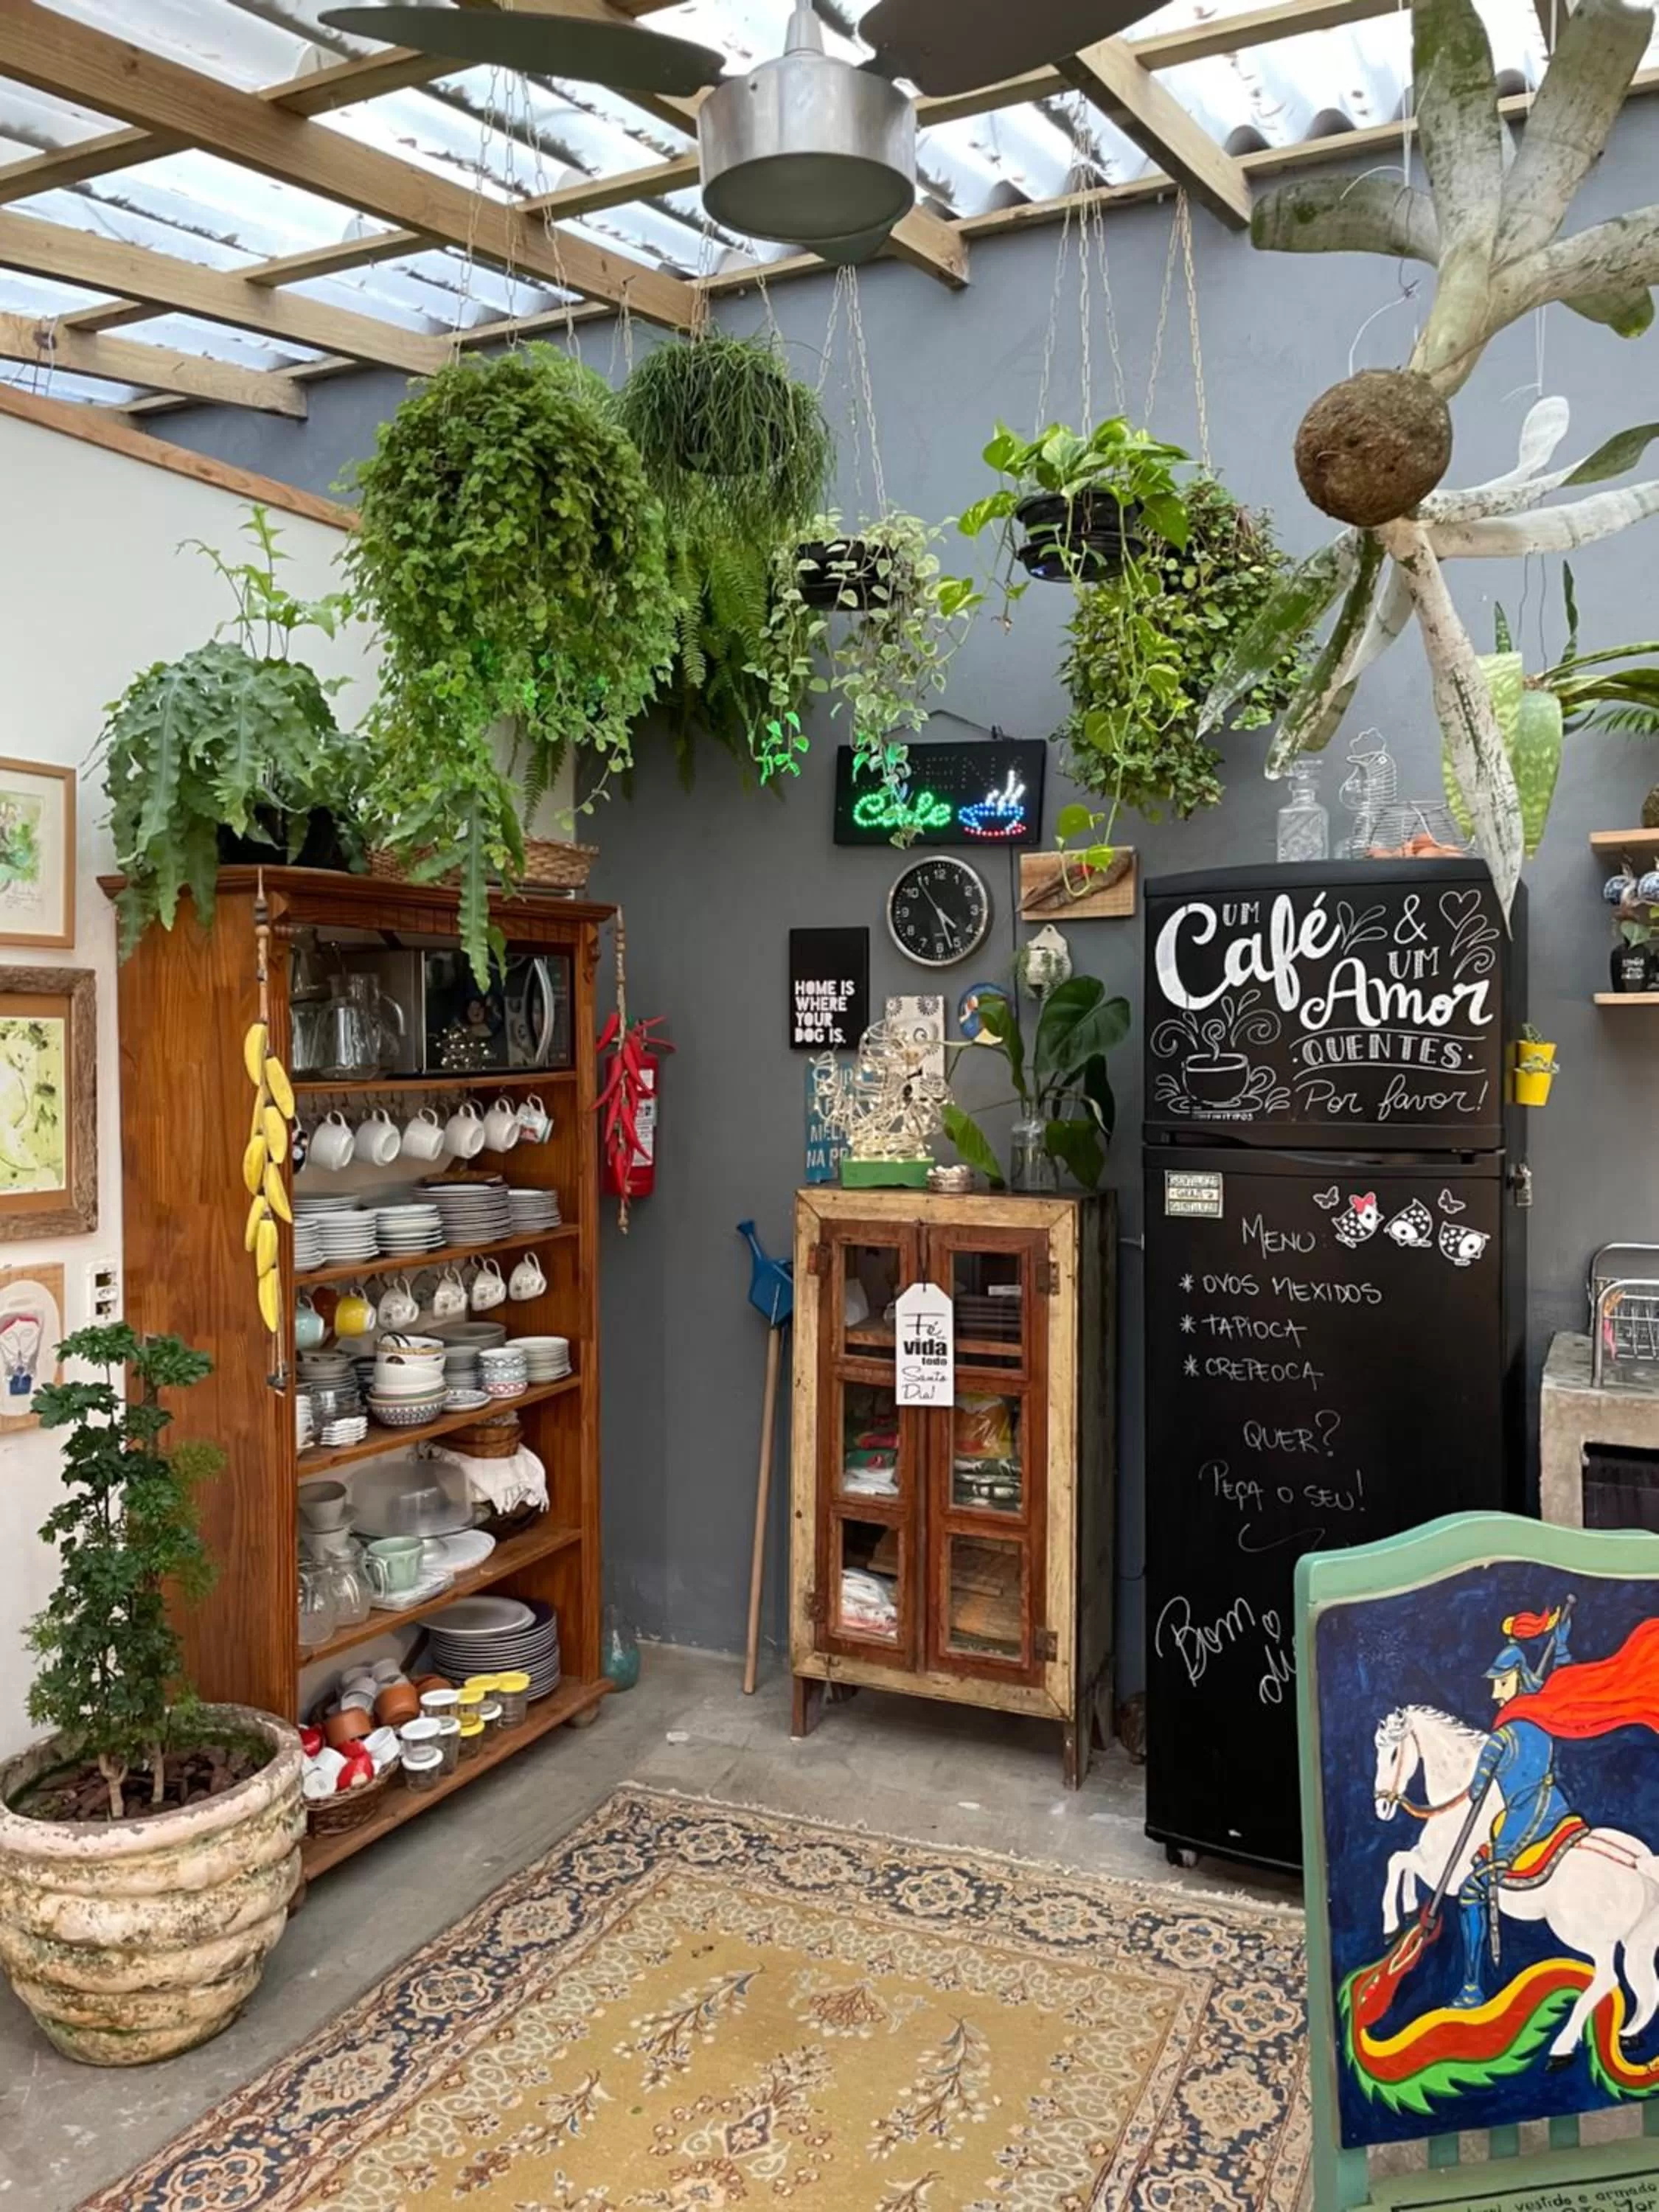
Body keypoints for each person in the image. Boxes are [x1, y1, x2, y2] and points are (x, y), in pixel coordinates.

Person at [1453, 1605, 1576, 2009]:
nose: (1495, 1693)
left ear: (1519, 1677)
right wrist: (1560, 1646)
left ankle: (1472, 1988)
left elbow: (1477, 1791)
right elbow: (1564, 1683)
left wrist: (1481, 1776)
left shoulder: (1502, 1737)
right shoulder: (1545, 1716)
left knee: (1471, 1890)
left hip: (1528, 1817)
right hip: (1558, 1806)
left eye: (1501, 1683)